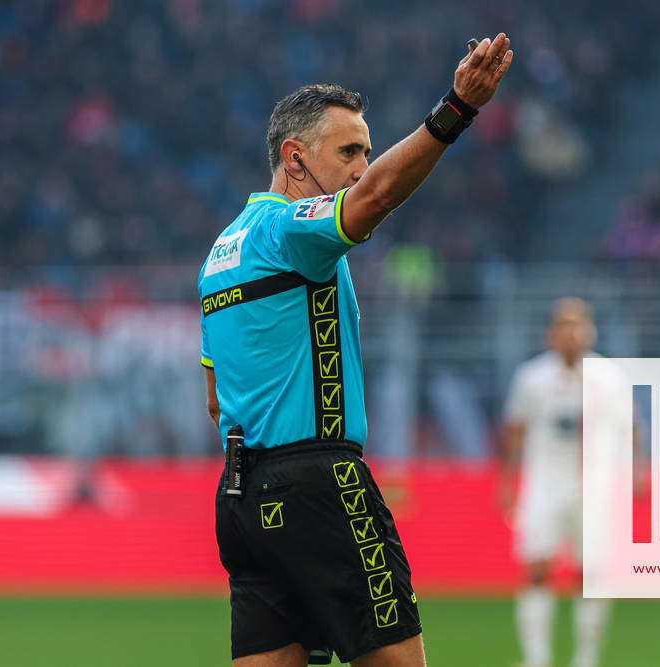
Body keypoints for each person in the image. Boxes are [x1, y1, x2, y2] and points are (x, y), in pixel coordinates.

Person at [199, 34, 513, 667]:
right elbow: (375, 200)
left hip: (240, 498)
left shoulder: (218, 255)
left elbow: (216, 398)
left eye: (366, 151)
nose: (362, 166)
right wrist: (455, 111)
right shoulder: (289, 230)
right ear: (294, 159)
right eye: (348, 151)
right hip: (320, 480)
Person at [500, 298, 610, 667]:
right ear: (551, 332)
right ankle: (536, 660)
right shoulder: (531, 377)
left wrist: (634, 472)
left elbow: (630, 428)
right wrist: (507, 483)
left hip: (591, 486)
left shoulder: (607, 376)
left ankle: (586, 659)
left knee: (590, 574)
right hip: (544, 483)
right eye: (564, 324)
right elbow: (515, 431)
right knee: (537, 569)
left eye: (578, 324)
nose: (571, 332)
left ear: (590, 330)